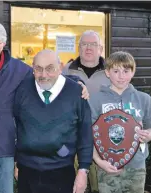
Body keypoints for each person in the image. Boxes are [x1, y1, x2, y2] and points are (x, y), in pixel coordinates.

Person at [0, 21, 90, 193]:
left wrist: (77, 83)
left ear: (3, 43)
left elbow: (47, 76)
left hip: (4, 154)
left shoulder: (19, 69)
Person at [13, 49, 93, 193]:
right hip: (27, 171)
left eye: (50, 68)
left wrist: (83, 170)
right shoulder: (22, 89)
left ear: (60, 67)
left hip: (62, 170)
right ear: (32, 68)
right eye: (38, 69)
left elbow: (85, 133)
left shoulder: (76, 92)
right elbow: (16, 126)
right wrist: (16, 162)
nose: (44, 75)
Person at [88, 51, 151, 193]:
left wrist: (148, 135)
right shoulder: (95, 100)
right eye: (116, 71)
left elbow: (150, 127)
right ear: (107, 72)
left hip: (137, 167)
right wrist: (99, 161)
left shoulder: (144, 99)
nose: (121, 76)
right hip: (106, 166)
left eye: (126, 71)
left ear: (133, 72)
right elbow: (88, 135)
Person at [62, 30, 111, 192]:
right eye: (84, 44)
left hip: (103, 139)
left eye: (93, 44)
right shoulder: (66, 71)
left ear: (101, 49)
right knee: (75, 185)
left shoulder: (111, 72)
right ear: (78, 47)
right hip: (73, 137)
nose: (88, 48)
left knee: (101, 185)